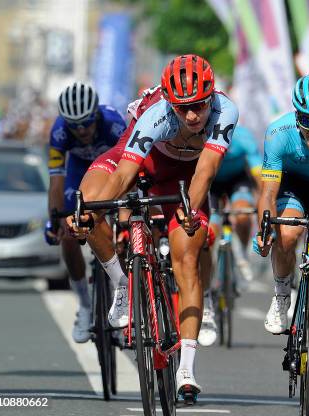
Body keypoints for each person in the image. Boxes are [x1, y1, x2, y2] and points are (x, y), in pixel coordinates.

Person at [68, 54, 238, 399]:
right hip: (141, 161)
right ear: (168, 103)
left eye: (199, 106)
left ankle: (186, 369)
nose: (192, 115)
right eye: (182, 108)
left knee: (187, 257)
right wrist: (92, 215)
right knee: (88, 203)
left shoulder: (225, 111)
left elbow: (205, 170)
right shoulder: (155, 113)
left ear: (211, 97)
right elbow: (124, 174)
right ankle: (122, 284)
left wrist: (189, 213)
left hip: (186, 176)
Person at [255, 73, 309, 336]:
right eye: (307, 120)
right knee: (287, 235)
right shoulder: (278, 133)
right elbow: (268, 193)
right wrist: (266, 228)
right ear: (296, 115)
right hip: (293, 185)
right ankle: (281, 293)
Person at [45, 82, 126, 343]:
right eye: (74, 125)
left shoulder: (114, 124)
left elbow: (129, 172)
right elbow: (56, 180)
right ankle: (85, 305)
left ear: (96, 115)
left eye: (86, 123)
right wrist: (54, 218)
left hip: (113, 172)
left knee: (124, 232)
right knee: (68, 234)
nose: (81, 130)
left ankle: (127, 298)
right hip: (79, 173)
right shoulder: (58, 131)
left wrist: (124, 213)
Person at [198, 125, 261, 346]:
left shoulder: (243, 137)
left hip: (237, 181)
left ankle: (242, 253)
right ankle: (211, 281)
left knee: (243, 216)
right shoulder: (202, 138)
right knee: (210, 234)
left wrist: (264, 202)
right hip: (211, 184)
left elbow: (258, 174)